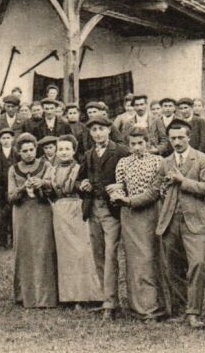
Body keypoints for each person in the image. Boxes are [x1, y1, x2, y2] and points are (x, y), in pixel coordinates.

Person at [153, 120, 205, 328]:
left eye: (181, 137)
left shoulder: (203, 159)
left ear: (189, 137)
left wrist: (182, 181)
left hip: (195, 221)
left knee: (196, 264)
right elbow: (158, 188)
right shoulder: (165, 162)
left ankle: (194, 313)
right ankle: (179, 309)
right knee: (173, 267)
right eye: (173, 138)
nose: (177, 142)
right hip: (171, 221)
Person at [110, 126, 165, 320]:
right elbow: (120, 187)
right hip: (130, 214)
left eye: (140, 143)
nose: (137, 147)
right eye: (133, 144)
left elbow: (159, 190)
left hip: (152, 213)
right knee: (135, 261)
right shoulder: (123, 163)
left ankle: (156, 306)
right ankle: (140, 307)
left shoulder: (158, 161)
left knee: (151, 258)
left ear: (148, 143)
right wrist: (117, 195)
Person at [77, 117, 130, 319]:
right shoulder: (89, 154)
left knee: (110, 255)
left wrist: (120, 187)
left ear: (109, 130)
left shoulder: (121, 151)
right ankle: (109, 299)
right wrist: (83, 185)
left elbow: (130, 178)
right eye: (94, 130)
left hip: (112, 210)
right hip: (93, 210)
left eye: (101, 129)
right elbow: (78, 180)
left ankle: (109, 302)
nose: (97, 133)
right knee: (98, 254)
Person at [46, 135, 102, 305]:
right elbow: (49, 190)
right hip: (59, 212)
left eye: (67, 149)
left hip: (77, 210)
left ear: (74, 150)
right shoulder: (52, 170)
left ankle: (89, 295)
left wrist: (82, 186)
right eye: (60, 149)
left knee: (81, 252)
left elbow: (84, 185)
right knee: (66, 255)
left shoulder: (80, 168)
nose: (63, 152)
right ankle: (69, 296)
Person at [8, 133, 58, 308]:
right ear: (18, 152)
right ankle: (25, 295)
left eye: (31, 149)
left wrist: (43, 184)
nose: (29, 153)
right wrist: (22, 188)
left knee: (43, 250)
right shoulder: (13, 169)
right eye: (24, 151)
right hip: (22, 213)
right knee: (25, 251)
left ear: (36, 149)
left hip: (42, 210)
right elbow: (11, 196)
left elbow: (53, 187)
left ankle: (45, 297)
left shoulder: (45, 165)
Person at [0, 128, 17, 249]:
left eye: (8, 138)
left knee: (14, 215)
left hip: (14, 189)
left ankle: (14, 241)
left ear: (12, 139)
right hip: (0, 190)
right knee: (1, 216)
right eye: (3, 138)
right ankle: (2, 242)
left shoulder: (17, 153)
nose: (6, 140)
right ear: (0, 140)